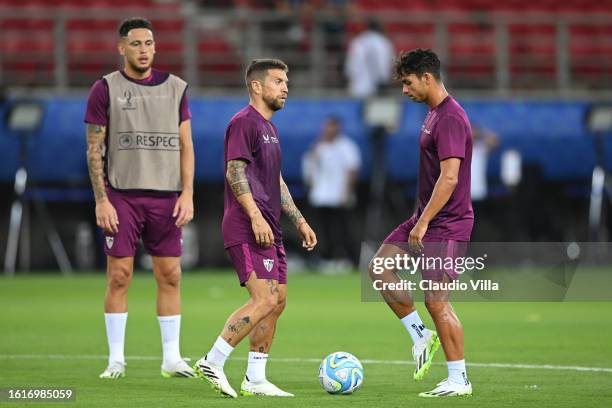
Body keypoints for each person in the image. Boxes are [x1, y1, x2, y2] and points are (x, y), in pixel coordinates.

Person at [193, 59, 317, 398]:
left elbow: (274, 181)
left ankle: (255, 378)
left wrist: (300, 220)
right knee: (263, 299)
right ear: (256, 87)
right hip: (248, 225)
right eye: (278, 80)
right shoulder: (243, 122)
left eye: (286, 80)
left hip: (270, 226)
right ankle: (213, 361)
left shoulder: (270, 129)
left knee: (278, 301)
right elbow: (235, 172)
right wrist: (255, 216)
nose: (285, 87)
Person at [84, 17, 196, 379]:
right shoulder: (105, 89)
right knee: (119, 275)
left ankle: (172, 358)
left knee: (171, 275)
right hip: (123, 196)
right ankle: (116, 358)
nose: (144, 50)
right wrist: (102, 200)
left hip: (166, 198)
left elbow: (185, 145)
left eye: (148, 43)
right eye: (136, 44)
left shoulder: (176, 88)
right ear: (121, 48)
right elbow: (94, 148)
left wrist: (188, 193)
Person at [368, 49, 473, 397]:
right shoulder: (432, 115)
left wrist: (424, 221)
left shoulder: (451, 118)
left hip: (447, 223)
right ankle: (420, 335)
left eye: (408, 82)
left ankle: (459, 379)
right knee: (380, 269)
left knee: (437, 301)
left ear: (427, 78)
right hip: (424, 218)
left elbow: (450, 177)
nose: (404, 90)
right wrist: (420, 219)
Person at [302, 115, 361, 267]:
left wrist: (347, 193)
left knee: (343, 228)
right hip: (321, 196)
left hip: (339, 196)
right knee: (323, 229)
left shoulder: (347, 146)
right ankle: (326, 258)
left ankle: (350, 259)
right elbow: (310, 170)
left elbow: (352, 171)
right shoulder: (317, 147)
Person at [344, 18, 395, 98]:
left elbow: (350, 67)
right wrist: (383, 80)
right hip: (375, 90)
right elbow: (384, 64)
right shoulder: (383, 42)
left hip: (356, 88)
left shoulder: (357, 41)